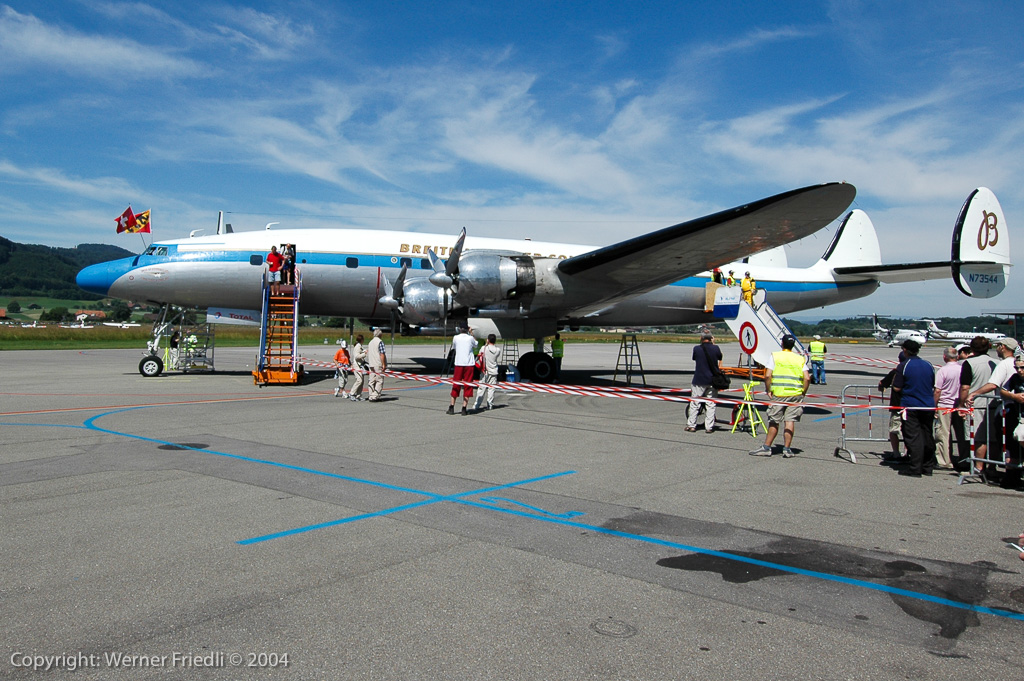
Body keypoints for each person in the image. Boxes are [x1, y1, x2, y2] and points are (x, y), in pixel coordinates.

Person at [966, 337, 1021, 476]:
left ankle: (1000, 470)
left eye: (998, 346)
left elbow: (993, 384)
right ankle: (998, 467)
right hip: (1015, 407)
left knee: (1001, 440)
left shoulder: (1003, 364)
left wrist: (974, 393)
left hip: (1007, 408)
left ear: (1003, 347)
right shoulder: (1013, 363)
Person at [750, 334, 809, 458]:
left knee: (774, 421)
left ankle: (767, 447)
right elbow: (807, 378)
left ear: (782, 343)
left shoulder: (775, 356)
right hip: (795, 394)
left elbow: (767, 375)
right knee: (790, 421)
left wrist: (768, 389)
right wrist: (803, 391)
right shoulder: (799, 358)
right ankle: (787, 449)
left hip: (779, 393)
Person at [892, 339, 936, 477]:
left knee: (913, 437)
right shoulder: (928, 365)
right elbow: (932, 383)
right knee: (927, 435)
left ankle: (915, 467)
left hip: (911, 405)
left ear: (905, 350)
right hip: (928, 405)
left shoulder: (904, 366)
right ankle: (928, 466)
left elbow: (897, 387)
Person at [958, 336, 998, 472]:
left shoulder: (969, 363)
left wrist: (961, 404)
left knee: (979, 438)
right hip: (994, 403)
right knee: (993, 438)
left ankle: (978, 466)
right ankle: (992, 467)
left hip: (976, 404)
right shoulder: (996, 362)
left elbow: (965, 387)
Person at [686, 331, 723, 434]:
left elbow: (694, 358)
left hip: (699, 379)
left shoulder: (697, 348)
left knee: (695, 403)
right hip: (712, 380)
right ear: (711, 338)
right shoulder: (715, 348)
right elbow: (720, 357)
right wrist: (714, 344)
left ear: (701, 338)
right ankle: (709, 427)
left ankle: (691, 425)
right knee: (711, 404)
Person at [932, 346, 961, 470]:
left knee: (943, 433)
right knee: (961, 434)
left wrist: (934, 405)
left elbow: (937, 390)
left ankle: (944, 460)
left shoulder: (943, 371)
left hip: (945, 405)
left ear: (945, 357)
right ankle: (962, 458)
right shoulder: (962, 369)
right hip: (959, 404)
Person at [878, 350, 908, 461]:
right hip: (911, 406)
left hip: (898, 406)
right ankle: (908, 452)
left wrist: (881, 387)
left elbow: (882, 383)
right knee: (909, 431)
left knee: (894, 430)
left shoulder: (896, 372)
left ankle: (896, 453)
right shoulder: (913, 372)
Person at [448, 324, 478, 415]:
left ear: (460, 329)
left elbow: (454, 347)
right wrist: (471, 333)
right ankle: (464, 408)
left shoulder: (456, 338)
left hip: (459, 363)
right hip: (468, 364)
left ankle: (452, 406)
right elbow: (476, 344)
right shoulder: (470, 338)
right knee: (468, 385)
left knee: (456, 384)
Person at [473, 334, 502, 411]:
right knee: (491, 389)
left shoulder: (484, 348)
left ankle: (477, 404)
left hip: (485, 371)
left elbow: (480, 355)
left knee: (481, 388)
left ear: (488, 340)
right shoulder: (498, 350)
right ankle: (490, 404)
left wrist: (486, 344)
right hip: (493, 371)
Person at [366, 328, 387, 402]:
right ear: (380, 335)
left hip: (371, 363)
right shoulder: (380, 342)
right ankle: (375, 396)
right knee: (379, 380)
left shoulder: (370, 342)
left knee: (371, 380)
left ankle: (371, 395)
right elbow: (382, 354)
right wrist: (384, 364)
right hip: (377, 363)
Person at [346, 334, 367, 401]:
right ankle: (352, 393)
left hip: (360, 365)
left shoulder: (360, 346)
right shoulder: (358, 347)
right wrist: (364, 354)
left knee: (362, 381)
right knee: (359, 380)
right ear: (362, 340)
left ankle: (358, 395)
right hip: (357, 365)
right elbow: (357, 356)